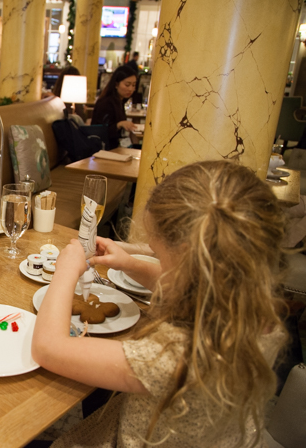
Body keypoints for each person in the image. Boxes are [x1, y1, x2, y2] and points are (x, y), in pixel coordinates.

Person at [32, 160, 288, 448]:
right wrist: (130, 263)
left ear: (190, 264)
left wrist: (65, 271)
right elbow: (196, 285)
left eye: (159, 256)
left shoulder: (176, 357)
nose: (156, 262)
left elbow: (47, 348)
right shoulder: (258, 311)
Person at [91, 65, 138, 149]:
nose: (131, 89)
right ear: (116, 84)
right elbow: (100, 131)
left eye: (134, 85)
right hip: (104, 149)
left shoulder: (120, 101)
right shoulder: (106, 102)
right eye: (127, 85)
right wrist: (119, 124)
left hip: (115, 147)